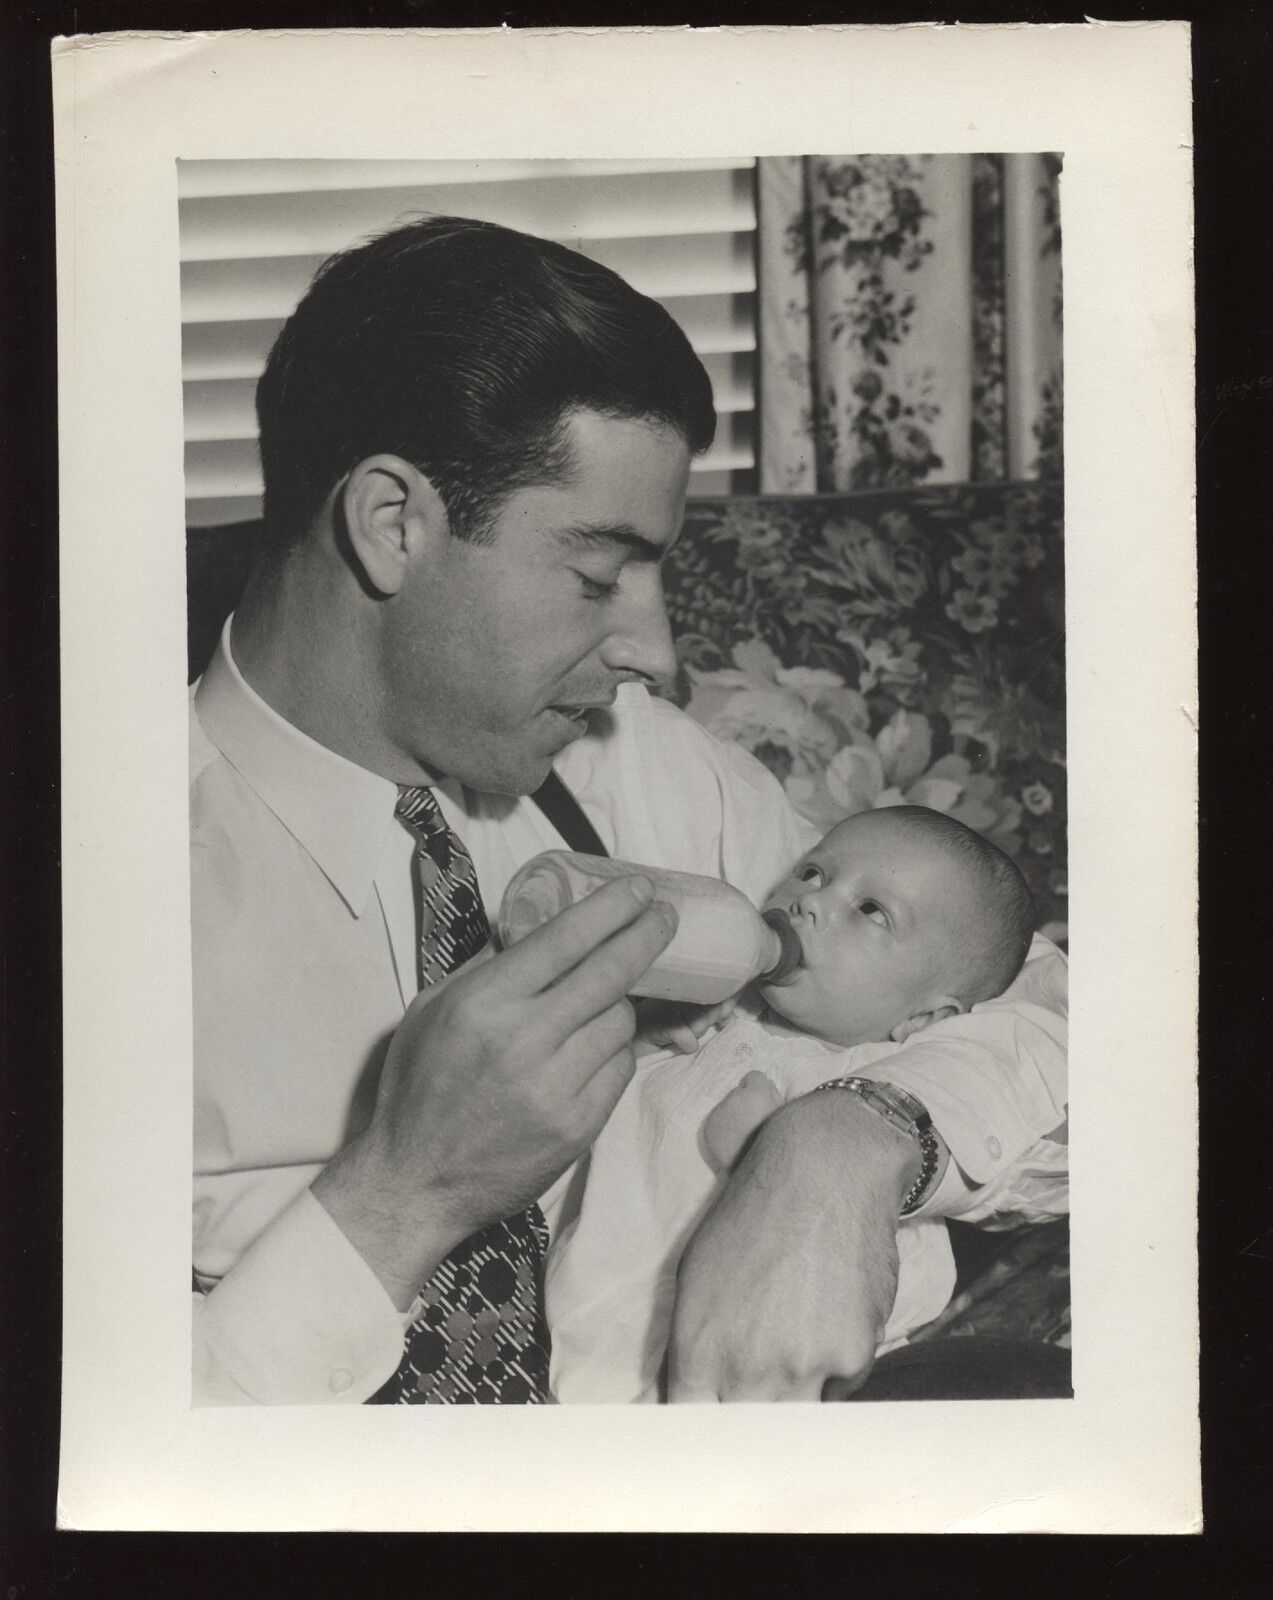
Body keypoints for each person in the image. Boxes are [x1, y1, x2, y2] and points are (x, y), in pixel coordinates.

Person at [190, 214, 1069, 1405]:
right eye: (599, 577)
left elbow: (1050, 1005)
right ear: (392, 523)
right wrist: (408, 1191)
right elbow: (83, 1464)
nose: (652, 651)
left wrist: (850, 1142)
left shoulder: (624, 767)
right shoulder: (97, 893)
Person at [547, 806, 1068, 1402]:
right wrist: (646, 1031)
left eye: (871, 911)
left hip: (736, 1359)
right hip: (585, 1307)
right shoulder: (717, 1000)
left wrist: (756, 1133)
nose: (809, 902)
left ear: (924, 1016)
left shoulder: (855, 1078)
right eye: (814, 872)